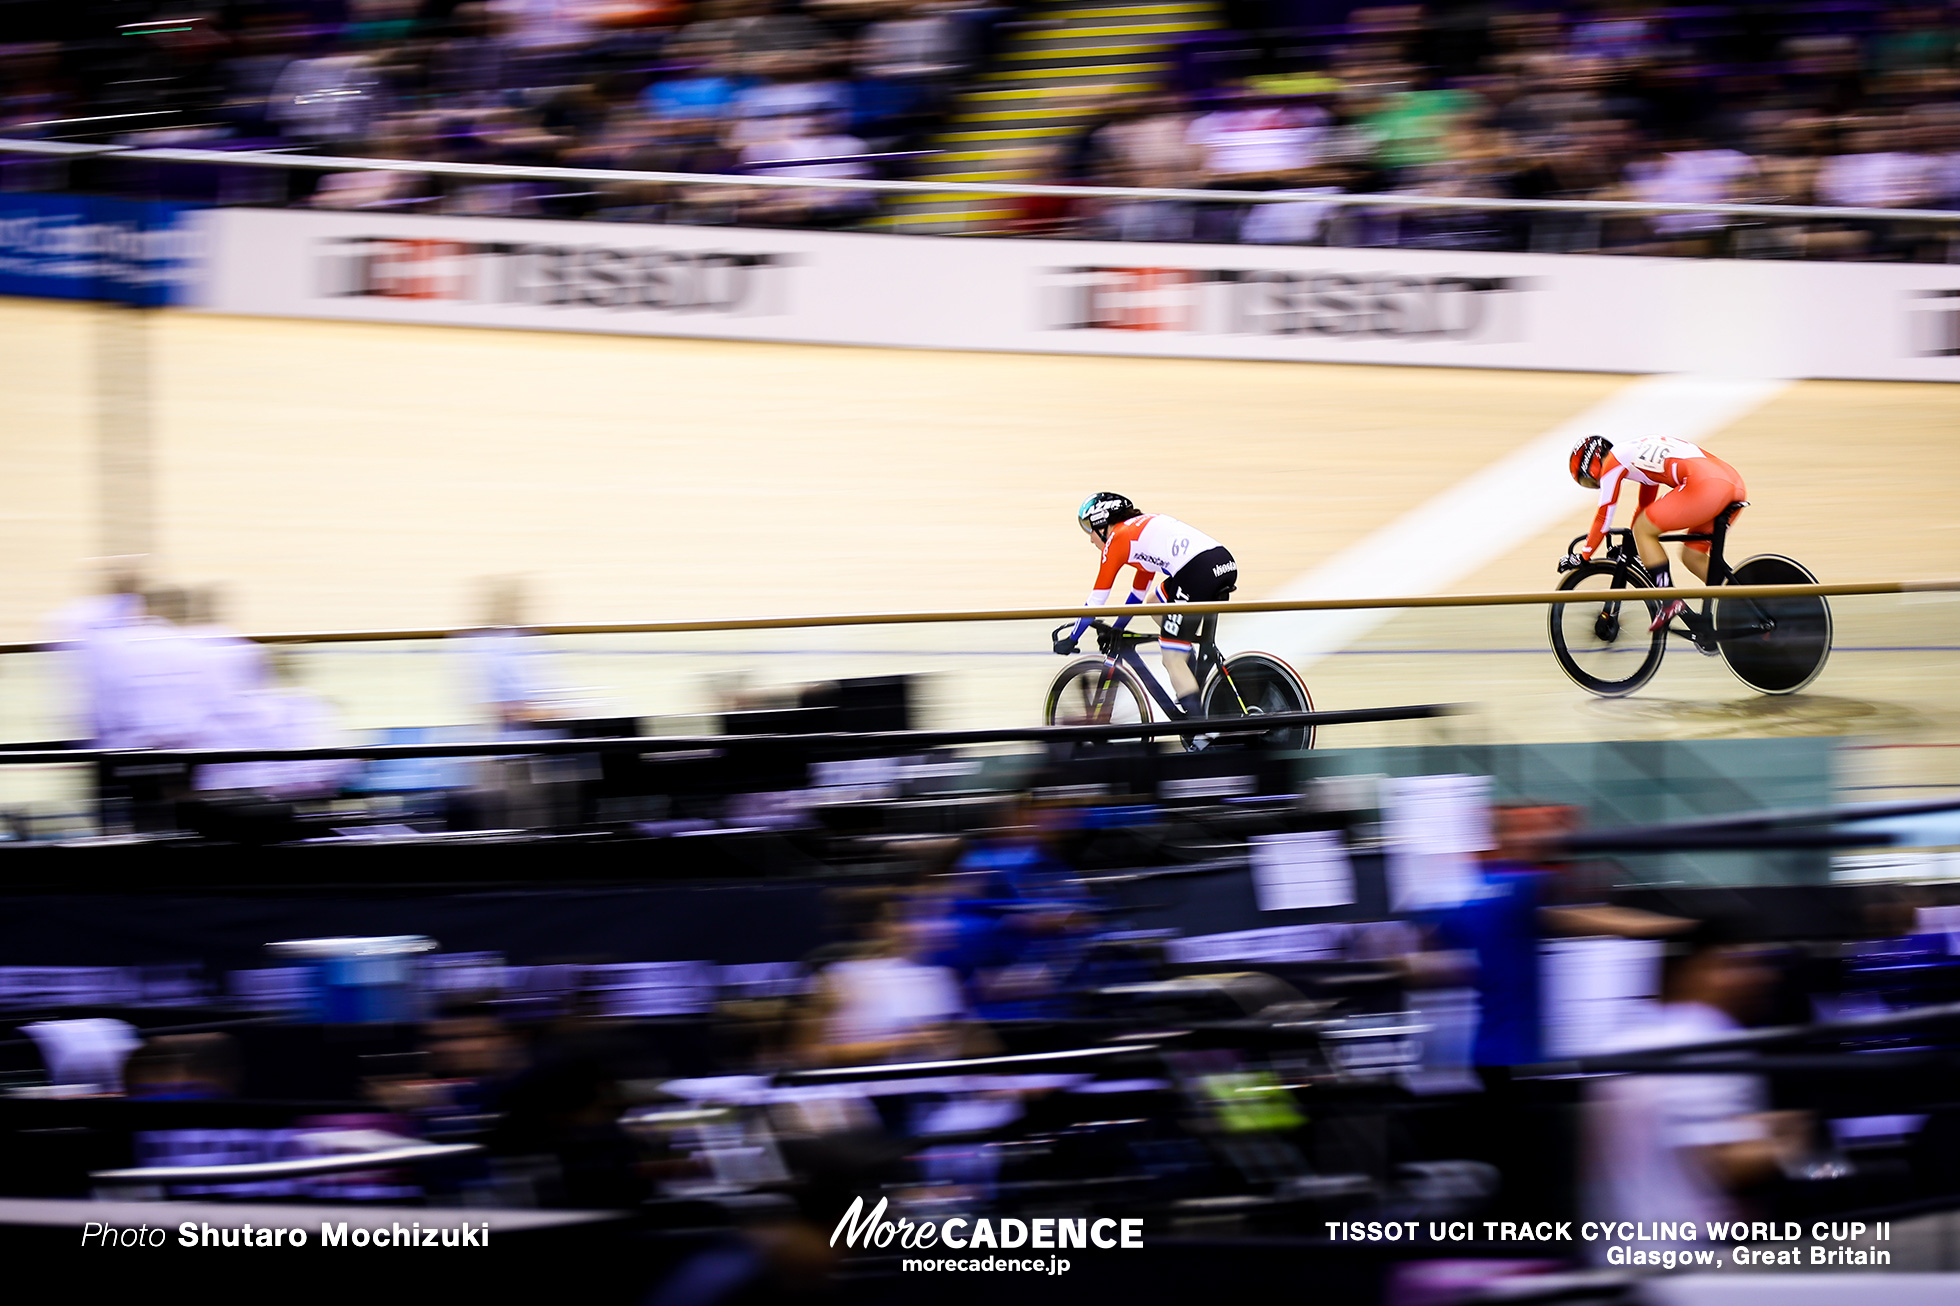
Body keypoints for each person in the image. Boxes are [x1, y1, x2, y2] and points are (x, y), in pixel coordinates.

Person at [1055, 493, 1237, 720]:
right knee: (1155, 602)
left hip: (1198, 570)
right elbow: (1138, 597)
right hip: (1217, 562)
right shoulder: (1138, 535)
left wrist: (1073, 637)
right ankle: (1187, 666)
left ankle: (1201, 733)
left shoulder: (1118, 538)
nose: (1091, 538)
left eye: (1089, 529)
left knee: (1171, 657)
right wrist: (1118, 629)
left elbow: (1096, 600)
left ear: (1102, 523)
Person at [1565, 434, 1748, 632]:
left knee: (1643, 530)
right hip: (1732, 483)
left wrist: (1584, 555)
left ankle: (1669, 601)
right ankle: (1745, 605)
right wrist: (1636, 542)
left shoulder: (1613, 460)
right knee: (1692, 556)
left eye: (1588, 480)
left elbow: (1603, 517)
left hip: (1706, 485)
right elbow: (1645, 507)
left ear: (1592, 463)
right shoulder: (1636, 455)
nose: (1594, 485)